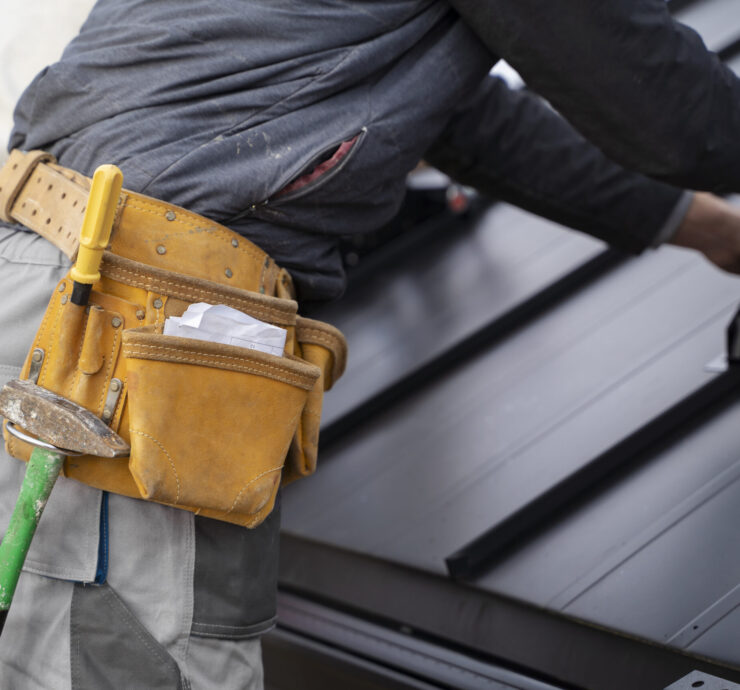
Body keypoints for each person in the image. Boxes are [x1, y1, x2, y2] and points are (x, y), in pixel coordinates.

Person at [1, 0, 740, 687]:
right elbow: (664, 104)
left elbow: (469, 120)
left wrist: (709, 229)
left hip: (47, 281)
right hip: (127, 324)